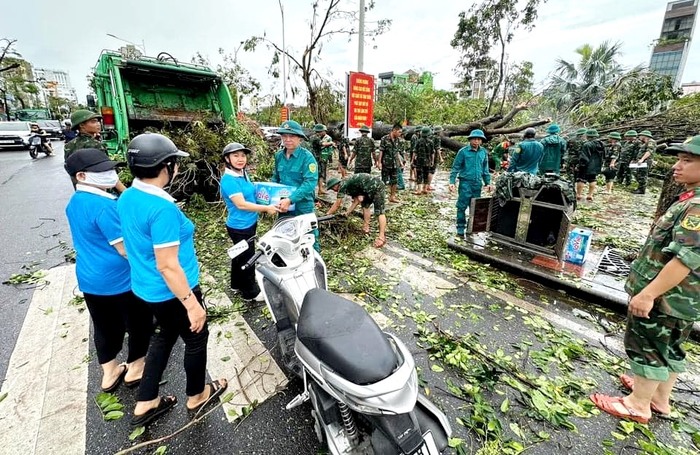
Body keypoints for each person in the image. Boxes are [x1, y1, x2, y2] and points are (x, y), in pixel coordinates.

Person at [118, 133, 228, 427]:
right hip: (172, 291)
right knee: (196, 338)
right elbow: (168, 265)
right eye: (174, 162)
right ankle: (198, 394)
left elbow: (135, 241)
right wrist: (192, 304)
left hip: (146, 288)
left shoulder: (129, 195)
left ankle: (146, 401)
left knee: (165, 335)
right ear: (165, 165)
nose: (177, 168)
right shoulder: (162, 208)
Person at [590, 135, 700, 425]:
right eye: (678, 159)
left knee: (647, 344)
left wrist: (648, 294)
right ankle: (659, 397)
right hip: (682, 299)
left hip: (666, 296)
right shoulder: (690, 199)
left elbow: (684, 260)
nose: (676, 166)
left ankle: (637, 404)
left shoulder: (697, 207)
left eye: (686, 161)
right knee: (671, 344)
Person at [64, 148, 152, 393]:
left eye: (111, 169)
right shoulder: (104, 206)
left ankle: (110, 372)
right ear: (81, 176)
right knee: (139, 322)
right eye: (102, 171)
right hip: (120, 279)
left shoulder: (75, 202)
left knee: (104, 326)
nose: (111, 174)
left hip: (90, 278)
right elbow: (124, 249)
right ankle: (136, 368)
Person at [220, 142, 278, 301]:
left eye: (243, 155)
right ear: (227, 158)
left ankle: (236, 284)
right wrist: (266, 209)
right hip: (240, 227)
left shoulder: (242, 173)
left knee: (238, 255)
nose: (240, 159)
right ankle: (250, 293)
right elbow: (241, 204)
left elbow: (252, 192)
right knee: (247, 257)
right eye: (235, 155)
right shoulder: (229, 180)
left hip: (247, 224)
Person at [271, 120, 320, 250]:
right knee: (285, 235)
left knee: (309, 237)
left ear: (299, 139)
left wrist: (290, 199)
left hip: (302, 205)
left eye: (291, 136)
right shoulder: (278, 156)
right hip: (284, 206)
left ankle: (314, 265)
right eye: (284, 136)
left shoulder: (307, 157)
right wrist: (271, 198)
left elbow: (310, 183)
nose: (287, 139)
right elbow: (275, 178)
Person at [64, 109, 126, 193]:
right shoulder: (95, 145)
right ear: (82, 125)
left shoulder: (69, 145)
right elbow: (107, 172)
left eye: (98, 121)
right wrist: (125, 192)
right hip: (101, 189)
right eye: (93, 122)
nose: (98, 124)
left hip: (82, 189)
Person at [449, 129, 493, 237]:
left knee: (475, 206)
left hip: (477, 184)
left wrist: (488, 183)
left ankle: (471, 227)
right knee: (461, 206)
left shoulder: (483, 152)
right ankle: (460, 227)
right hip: (465, 183)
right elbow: (455, 167)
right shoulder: (463, 152)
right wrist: (452, 182)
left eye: (479, 139)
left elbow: (485, 169)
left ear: (481, 141)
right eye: (474, 139)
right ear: (470, 139)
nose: (476, 141)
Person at [326, 174, 388, 248]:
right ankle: (366, 227)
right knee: (365, 206)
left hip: (377, 186)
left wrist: (327, 214)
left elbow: (337, 204)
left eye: (333, 189)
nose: (334, 191)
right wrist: (347, 213)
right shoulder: (349, 187)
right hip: (366, 190)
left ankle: (381, 237)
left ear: (335, 185)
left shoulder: (343, 185)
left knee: (379, 212)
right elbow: (356, 200)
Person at [576, 129, 605, 201]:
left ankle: (579, 195)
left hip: (586, 165)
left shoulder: (587, 144)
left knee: (581, 179)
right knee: (593, 179)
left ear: (588, 136)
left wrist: (580, 165)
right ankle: (590, 195)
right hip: (596, 165)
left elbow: (584, 157)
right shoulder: (602, 144)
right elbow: (604, 155)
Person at [378, 123, 403, 203]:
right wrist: (379, 162)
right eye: (399, 132)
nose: (400, 134)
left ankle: (392, 196)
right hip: (386, 164)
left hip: (395, 164)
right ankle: (381, 197)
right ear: (394, 130)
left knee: (394, 181)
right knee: (384, 181)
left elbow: (397, 152)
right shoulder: (384, 139)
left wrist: (401, 163)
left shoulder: (397, 140)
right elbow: (381, 151)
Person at [310, 124, 334, 195]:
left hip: (314, 157)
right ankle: (318, 190)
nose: (325, 132)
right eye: (324, 131)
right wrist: (331, 143)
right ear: (320, 131)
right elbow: (323, 144)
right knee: (319, 173)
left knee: (318, 173)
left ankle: (319, 189)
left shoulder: (312, 137)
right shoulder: (316, 138)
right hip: (316, 158)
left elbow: (319, 147)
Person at [412, 127, 435, 195]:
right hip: (427, 161)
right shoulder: (431, 142)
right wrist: (432, 161)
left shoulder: (418, 141)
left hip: (419, 161)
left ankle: (419, 190)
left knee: (419, 175)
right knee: (426, 174)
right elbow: (432, 153)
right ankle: (425, 189)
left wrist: (412, 160)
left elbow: (415, 152)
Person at [633, 130, 657, 195]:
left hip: (646, 161)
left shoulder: (651, 142)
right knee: (638, 173)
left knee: (643, 175)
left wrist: (642, 159)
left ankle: (641, 190)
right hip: (642, 161)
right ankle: (640, 188)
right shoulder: (645, 143)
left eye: (640, 136)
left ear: (644, 136)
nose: (639, 137)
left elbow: (649, 151)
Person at [427, 126, 444, 191]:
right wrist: (441, 158)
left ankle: (425, 184)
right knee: (432, 170)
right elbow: (437, 149)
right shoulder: (437, 138)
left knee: (428, 169)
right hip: (434, 155)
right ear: (439, 132)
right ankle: (428, 185)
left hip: (428, 155)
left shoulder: (430, 137)